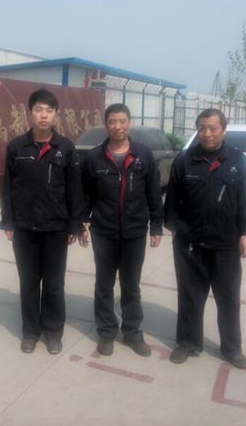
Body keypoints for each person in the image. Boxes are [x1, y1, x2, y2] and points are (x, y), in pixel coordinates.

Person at [164, 108, 246, 369]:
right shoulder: (184, 160)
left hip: (226, 244)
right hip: (190, 243)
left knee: (228, 298)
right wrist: (174, 226)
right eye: (202, 128)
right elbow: (172, 199)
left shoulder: (238, 161)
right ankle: (187, 343)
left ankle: (232, 349)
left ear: (223, 129)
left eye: (213, 128)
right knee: (190, 296)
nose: (207, 133)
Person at [0, 88, 84, 354]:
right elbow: (8, 187)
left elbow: (74, 189)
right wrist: (8, 221)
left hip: (55, 228)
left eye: (49, 110)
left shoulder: (66, 148)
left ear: (56, 114)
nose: (44, 115)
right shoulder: (16, 147)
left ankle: (53, 332)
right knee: (28, 283)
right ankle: (30, 332)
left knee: (54, 284)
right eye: (39, 110)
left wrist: (75, 224)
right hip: (25, 228)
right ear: (30, 113)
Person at [80, 104, 163, 357]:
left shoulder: (143, 155)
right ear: (106, 125)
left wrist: (156, 226)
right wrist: (82, 223)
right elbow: (85, 195)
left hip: (135, 232)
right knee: (104, 285)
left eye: (122, 121)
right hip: (103, 232)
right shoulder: (94, 158)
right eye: (112, 122)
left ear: (129, 123)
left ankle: (132, 332)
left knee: (131, 286)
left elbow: (153, 193)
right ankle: (106, 332)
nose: (118, 126)